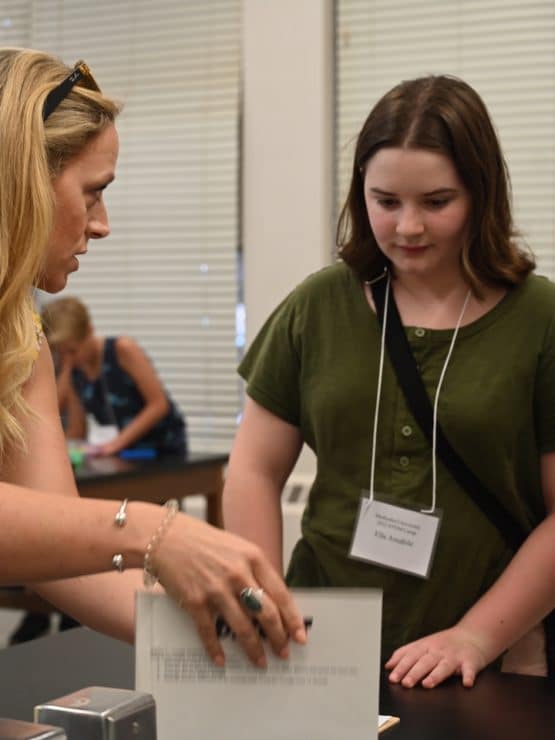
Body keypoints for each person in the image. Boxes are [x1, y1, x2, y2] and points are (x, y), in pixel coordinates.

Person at [223, 74, 555, 687]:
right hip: (318, 640)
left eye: (436, 202)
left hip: (484, 655)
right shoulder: (319, 305)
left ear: (482, 196)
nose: (408, 227)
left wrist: (476, 636)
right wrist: (260, 601)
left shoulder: (538, 317)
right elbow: (253, 469)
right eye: (386, 201)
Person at [0, 47, 306, 666]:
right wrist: (153, 532)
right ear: (24, 177)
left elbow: (63, 563)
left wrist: (228, 624)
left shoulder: (23, 341)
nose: (103, 223)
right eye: (92, 192)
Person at [41, 296, 187, 458]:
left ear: (90, 331)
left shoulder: (122, 349)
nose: (68, 360)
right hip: (124, 454)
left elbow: (159, 404)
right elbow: (77, 429)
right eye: (60, 354)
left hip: (163, 450)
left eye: (72, 351)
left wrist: (115, 444)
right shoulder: (75, 371)